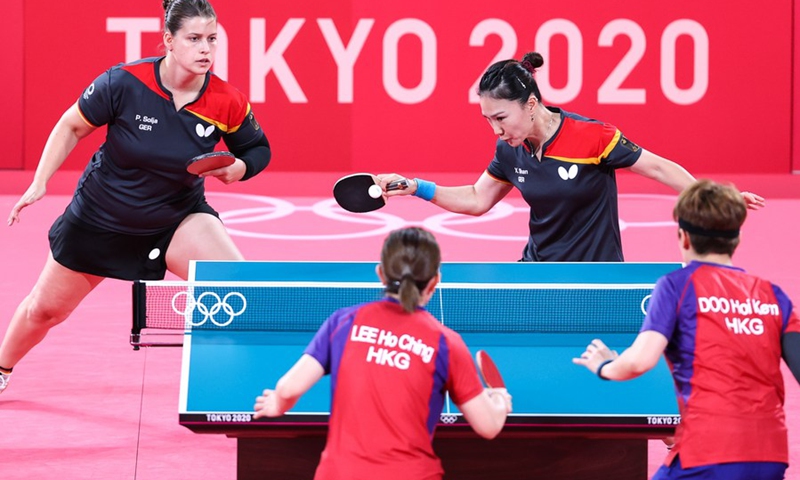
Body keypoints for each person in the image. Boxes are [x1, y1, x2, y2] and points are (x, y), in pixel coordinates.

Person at [0, 0, 271, 394]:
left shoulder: (226, 100)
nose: (205, 49)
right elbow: (71, 126)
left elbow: (258, 149)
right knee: (44, 310)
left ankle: (263, 388)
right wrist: (40, 182)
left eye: (212, 39)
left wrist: (240, 168)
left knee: (242, 292)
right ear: (169, 41)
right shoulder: (125, 83)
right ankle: (2, 366)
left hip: (175, 219)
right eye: (194, 39)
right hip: (101, 218)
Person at [376, 52, 764, 262]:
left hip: (597, 275)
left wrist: (718, 198)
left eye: (501, 118)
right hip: (536, 271)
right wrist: (416, 187)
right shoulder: (509, 149)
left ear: (531, 105)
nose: (495, 130)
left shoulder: (592, 137)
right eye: (487, 120)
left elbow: (659, 167)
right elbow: (478, 199)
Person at [572, 180, 800, 479]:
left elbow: (639, 361)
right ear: (738, 239)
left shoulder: (676, 286)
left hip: (707, 452)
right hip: (770, 455)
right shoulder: (774, 295)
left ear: (684, 238)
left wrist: (604, 366)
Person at [253, 227, 512, 480]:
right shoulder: (446, 343)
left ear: (380, 273)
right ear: (435, 281)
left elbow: (288, 389)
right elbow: (488, 426)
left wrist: (278, 404)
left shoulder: (344, 322)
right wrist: (499, 399)